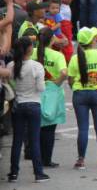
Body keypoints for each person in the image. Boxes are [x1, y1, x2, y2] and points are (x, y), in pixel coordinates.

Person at [69, 27, 97, 170]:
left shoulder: (75, 58)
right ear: (93, 40)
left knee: (82, 129)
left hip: (80, 94)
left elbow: (70, 80)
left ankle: (80, 160)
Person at [7, 35, 49, 183]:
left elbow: (9, 82)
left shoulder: (11, 65)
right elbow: (41, 88)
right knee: (34, 140)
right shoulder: (37, 66)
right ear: (30, 49)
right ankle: (38, 173)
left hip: (18, 104)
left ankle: (13, 173)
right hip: (33, 104)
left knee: (17, 140)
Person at [35, 28, 67, 169]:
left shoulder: (33, 52)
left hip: (35, 91)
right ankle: (46, 159)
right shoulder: (57, 55)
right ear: (52, 39)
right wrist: (57, 83)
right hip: (52, 93)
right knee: (49, 129)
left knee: (36, 129)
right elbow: (64, 73)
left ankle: (36, 158)